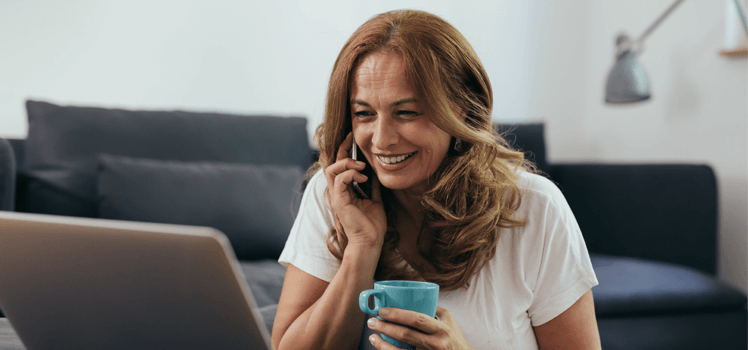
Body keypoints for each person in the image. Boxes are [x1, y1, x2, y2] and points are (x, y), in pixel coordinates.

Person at [272, 9, 601, 350]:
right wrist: (361, 249)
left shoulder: (535, 208)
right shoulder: (334, 197)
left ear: (460, 109)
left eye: (407, 112)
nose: (381, 140)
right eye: (364, 114)